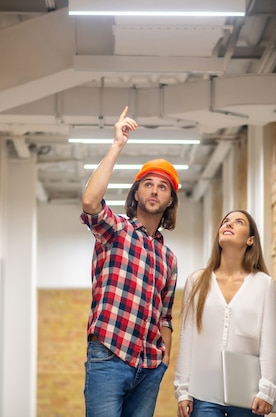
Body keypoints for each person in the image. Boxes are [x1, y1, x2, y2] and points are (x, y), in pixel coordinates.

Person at [80, 106, 179, 417]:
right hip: (109, 355)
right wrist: (117, 145)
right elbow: (90, 202)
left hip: (148, 367)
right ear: (136, 193)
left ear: (170, 201)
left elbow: (165, 317)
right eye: (148, 184)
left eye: (163, 187)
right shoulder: (116, 230)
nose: (154, 190)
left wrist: (162, 362)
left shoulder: (168, 257)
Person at [174, 210, 276, 417]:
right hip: (203, 394)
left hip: (248, 395)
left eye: (238, 222)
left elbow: (269, 342)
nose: (229, 224)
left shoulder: (263, 284)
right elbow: (187, 337)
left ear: (250, 240)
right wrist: (183, 390)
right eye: (226, 221)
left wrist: (268, 390)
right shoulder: (196, 281)